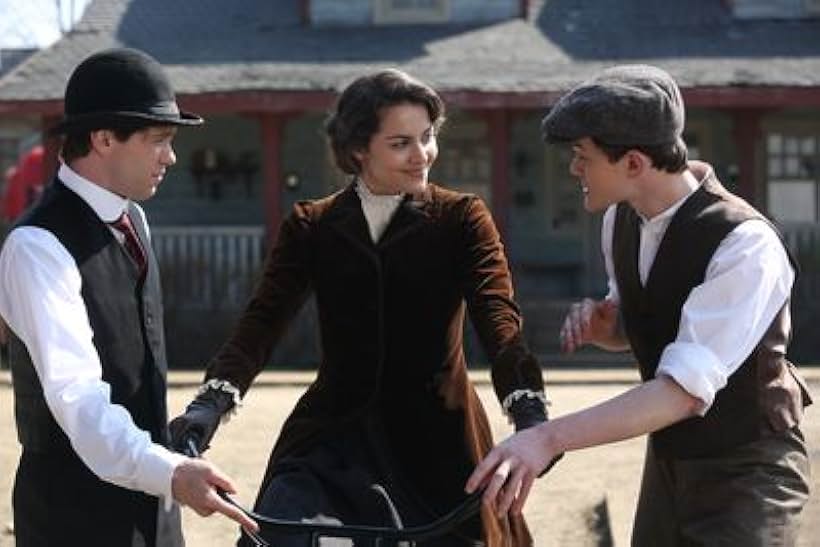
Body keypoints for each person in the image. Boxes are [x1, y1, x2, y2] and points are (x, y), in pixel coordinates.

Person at [169, 68, 548, 547]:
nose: (422, 155)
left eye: (427, 137)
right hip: (333, 435)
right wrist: (211, 403)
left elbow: (499, 317)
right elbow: (262, 322)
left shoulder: (462, 218)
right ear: (357, 150)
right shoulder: (313, 224)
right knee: (285, 533)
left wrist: (529, 409)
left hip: (438, 440)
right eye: (401, 143)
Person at [466, 64, 813, 546]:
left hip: (747, 464)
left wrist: (545, 437)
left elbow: (683, 391)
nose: (573, 169)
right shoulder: (619, 222)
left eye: (582, 156)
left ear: (633, 163)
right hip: (670, 459)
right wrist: (609, 327)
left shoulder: (744, 245)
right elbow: (646, 328)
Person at [0, 47, 258, 547]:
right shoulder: (38, 246)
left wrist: (171, 466)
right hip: (73, 522)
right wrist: (171, 473)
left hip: (154, 510)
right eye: (159, 139)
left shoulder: (133, 218)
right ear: (102, 138)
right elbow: (77, 398)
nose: (172, 156)